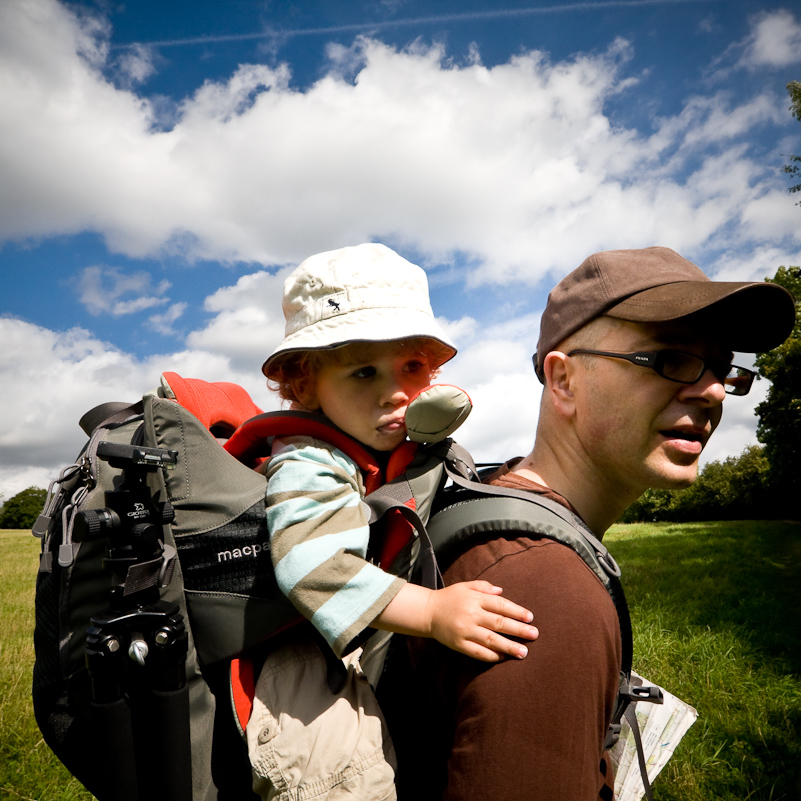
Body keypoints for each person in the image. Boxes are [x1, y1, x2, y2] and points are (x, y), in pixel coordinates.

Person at [380, 246, 796, 801]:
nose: (715, 390)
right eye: (672, 358)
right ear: (564, 381)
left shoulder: (494, 497)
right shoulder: (544, 587)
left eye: (723, 368)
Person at [244, 243, 539, 801]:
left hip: (360, 635)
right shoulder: (310, 459)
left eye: (412, 367)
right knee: (344, 778)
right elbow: (313, 565)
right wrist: (429, 610)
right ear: (304, 384)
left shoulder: (398, 447)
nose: (396, 391)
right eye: (363, 371)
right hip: (302, 656)